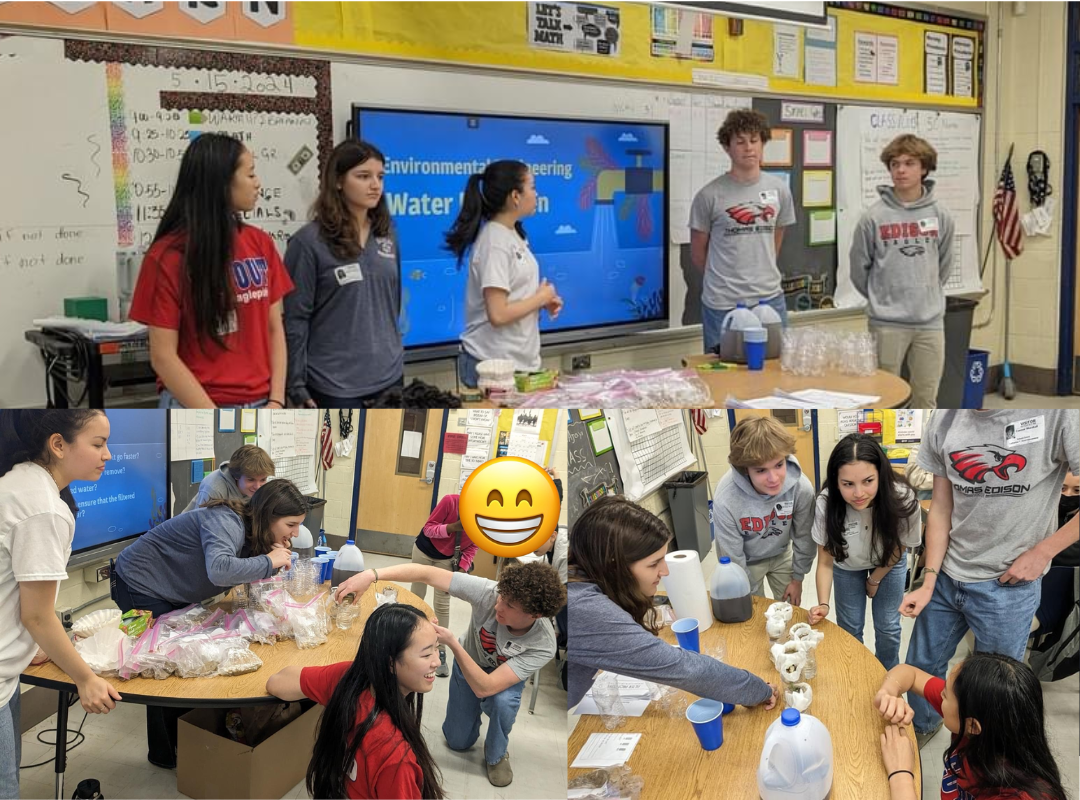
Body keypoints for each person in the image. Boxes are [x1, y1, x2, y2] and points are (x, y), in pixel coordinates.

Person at [900, 410, 1079, 748]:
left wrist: (1044, 552)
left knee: (994, 691)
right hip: (948, 576)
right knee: (922, 663)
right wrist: (928, 580)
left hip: (1008, 586)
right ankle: (923, 727)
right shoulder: (945, 419)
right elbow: (940, 508)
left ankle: (981, 754)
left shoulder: (1059, 414)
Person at [112, 479, 306, 769]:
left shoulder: (254, 529)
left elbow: (239, 571)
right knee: (159, 665)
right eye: (291, 524)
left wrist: (269, 555)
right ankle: (165, 755)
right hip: (136, 584)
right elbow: (219, 570)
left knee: (186, 661)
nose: (296, 532)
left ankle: (190, 743)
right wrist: (269, 559)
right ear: (268, 515)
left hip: (172, 589)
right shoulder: (225, 520)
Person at [335, 561, 564, 788]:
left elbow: (486, 686)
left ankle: (496, 754)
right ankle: (480, 710)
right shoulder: (489, 593)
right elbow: (427, 573)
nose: (498, 607)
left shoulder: (542, 644)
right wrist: (372, 574)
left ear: (535, 614)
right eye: (501, 597)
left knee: (503, 702)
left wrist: (452, 643)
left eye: (510, 605)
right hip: (469, 664)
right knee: (457, 742)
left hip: (500, 680)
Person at [0, 411, 123, 799]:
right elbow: (37, 614)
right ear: (58, 445)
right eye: (98, 444)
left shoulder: (22, 480)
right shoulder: (43, 508)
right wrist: (85, 678)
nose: (107, 455)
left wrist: (31, 644)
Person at [129, 132, 294, 409]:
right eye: (250, 175)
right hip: (197, 407)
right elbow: (163, 357)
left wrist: (276, 400)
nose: (258, 184)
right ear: (221, 183)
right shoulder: (167, 257)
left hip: (264, 405)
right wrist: (217, 422)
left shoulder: (260, 243)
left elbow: (275, 328)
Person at [567, 496, 777, 710]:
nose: (665, 571)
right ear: (614, 565)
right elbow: (686, 669)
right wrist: (757, 689)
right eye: (653, 564)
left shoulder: (584, 581)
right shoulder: (585, 609)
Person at [266, 604, 445, 800]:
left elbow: (276, 682)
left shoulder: (348, 678)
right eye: (427, 654)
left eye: (437, 648)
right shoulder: (396, 758)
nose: (437, 661)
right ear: (391, 662)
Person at [284, 140, 405, 407]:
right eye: (363, 176)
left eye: (380, 176)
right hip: (334, 385)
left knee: (390, 450)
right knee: (344, 451)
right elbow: (295, 319)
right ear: (338, 181)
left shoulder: (387, 235)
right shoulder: (307, 243)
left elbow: (391, 304)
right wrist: (295, 384)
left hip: (390, 378)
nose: (375, 185)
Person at [849, 134, 956, 409]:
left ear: (924, 168)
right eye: (895, 164)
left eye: (909, 163)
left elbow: (942, 265)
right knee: (883, 400)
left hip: (930, 322)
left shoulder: (940, 215)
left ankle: (923, 451)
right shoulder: (873, 217)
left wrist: (925, 291)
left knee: (925, 398)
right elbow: (859, 269)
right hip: (887, 323)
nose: (901, 170)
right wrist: (882, 295)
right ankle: (883, 451)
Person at [873, 653, 1067, 800]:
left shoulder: (1014, 794)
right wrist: (888, 692)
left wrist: (900, 773)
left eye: (946, 695)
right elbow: (910, 673)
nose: (940, 694)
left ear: (973, 725)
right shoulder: (989, 723)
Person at [444, 160, 563, 388]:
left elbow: (511, 297)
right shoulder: (495, 241)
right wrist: (541, 298)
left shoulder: (512, 234)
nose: (537, 194)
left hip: (518, 363)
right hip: (494, 368)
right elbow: (498, 314)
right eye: (533, 187)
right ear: (515, 196)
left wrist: (541, 301)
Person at [808, 434, 922, 669]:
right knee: (849, 629)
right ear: (836, 481)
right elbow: (825, 563)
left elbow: (900, 546)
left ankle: (887, 678)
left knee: (888, 628)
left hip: (889, 562)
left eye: (868, 481)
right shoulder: (827, 503)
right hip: (847, 566)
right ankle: (856, 676)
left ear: (880, 474)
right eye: (848, 484)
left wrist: (874, 579)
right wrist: (823, 604)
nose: (859, 493)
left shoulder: (902, 497)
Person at [689, 108, 796, 353]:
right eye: (740, 142)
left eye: (754, 140)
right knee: (724, 373)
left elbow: (775, 239)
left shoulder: (779, 191)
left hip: (769, 297)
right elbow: (697, 252)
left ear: (763, 144)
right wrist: (725, 280)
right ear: (727, 148)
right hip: (723, 302)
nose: (749, 147)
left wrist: (760, 271)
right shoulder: (709, 196)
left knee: (776, 368)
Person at [711, 416, 815, 604]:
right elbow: (732, 556)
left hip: (781, 553)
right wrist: (747, 592)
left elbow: (804, 537)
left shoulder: (801, 488)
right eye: (760, 470)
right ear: (745, 470)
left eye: (779, 465)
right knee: (753, 613)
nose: (773, 478)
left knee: (789, 610)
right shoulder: (725, 498)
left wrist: (798, 578)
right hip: (745, 560)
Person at [409, 492, 478, 677]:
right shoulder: (451, 501)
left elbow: (473, 546)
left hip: (448, 558)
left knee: (442, 603)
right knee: (417, 594)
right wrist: (453, 527)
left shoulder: (486, 522)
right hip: (424, 550)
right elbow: (428, 529)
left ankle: (440, 650)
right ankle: (408, 638)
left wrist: (462, 569)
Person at [181, 444, 275, 513]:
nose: (258, 486)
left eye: (263, 480)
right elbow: (203, 527)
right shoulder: (214, 489)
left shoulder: (255, 489)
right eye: (251, 480)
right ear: (236, 475)